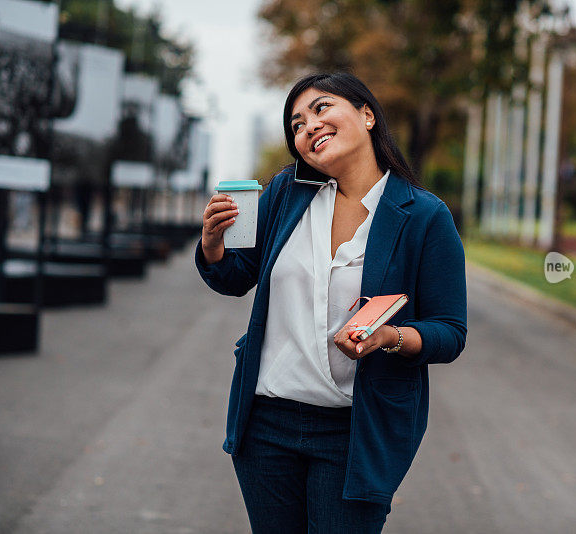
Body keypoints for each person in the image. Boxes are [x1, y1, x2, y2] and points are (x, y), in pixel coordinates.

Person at [196, 72, 467, 533]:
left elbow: (449, 331)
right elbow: (237, 277)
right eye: (296, 125)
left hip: (354, 433)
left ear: (366, 115)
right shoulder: (286, 192)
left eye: (321, 109)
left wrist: (389, 336)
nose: (308, 128)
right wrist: (213, 246)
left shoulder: (423, 215)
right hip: (266, 423)